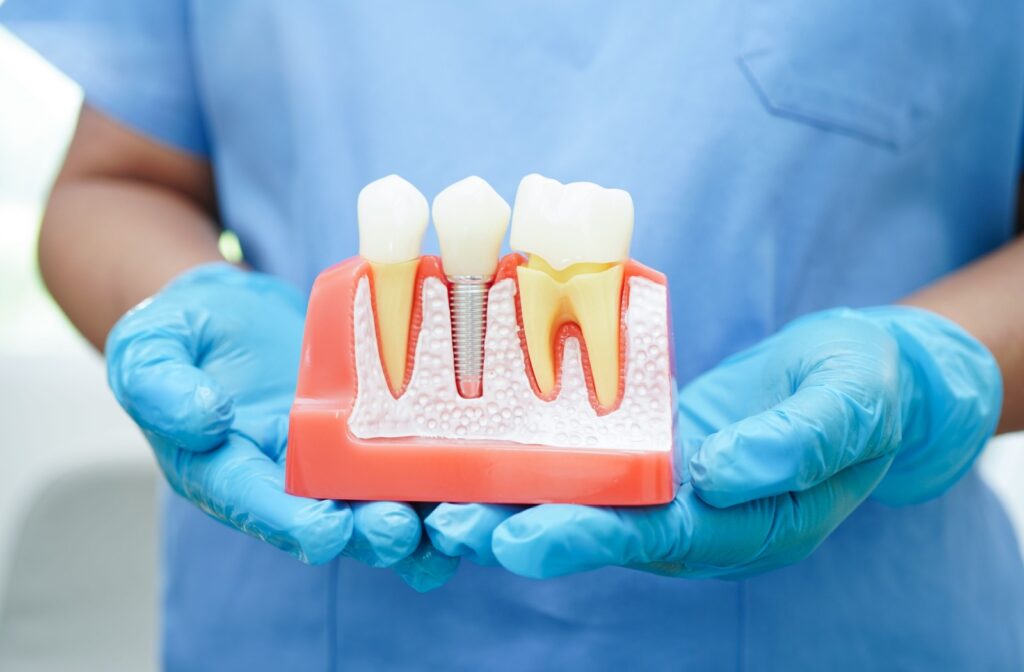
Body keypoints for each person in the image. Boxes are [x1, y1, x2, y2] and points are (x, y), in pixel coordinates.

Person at [3, 2, 1023, 670]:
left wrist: (923, 371)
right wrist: (181, 301)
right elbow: (120, 179)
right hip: (290, 626)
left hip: (858, 629)